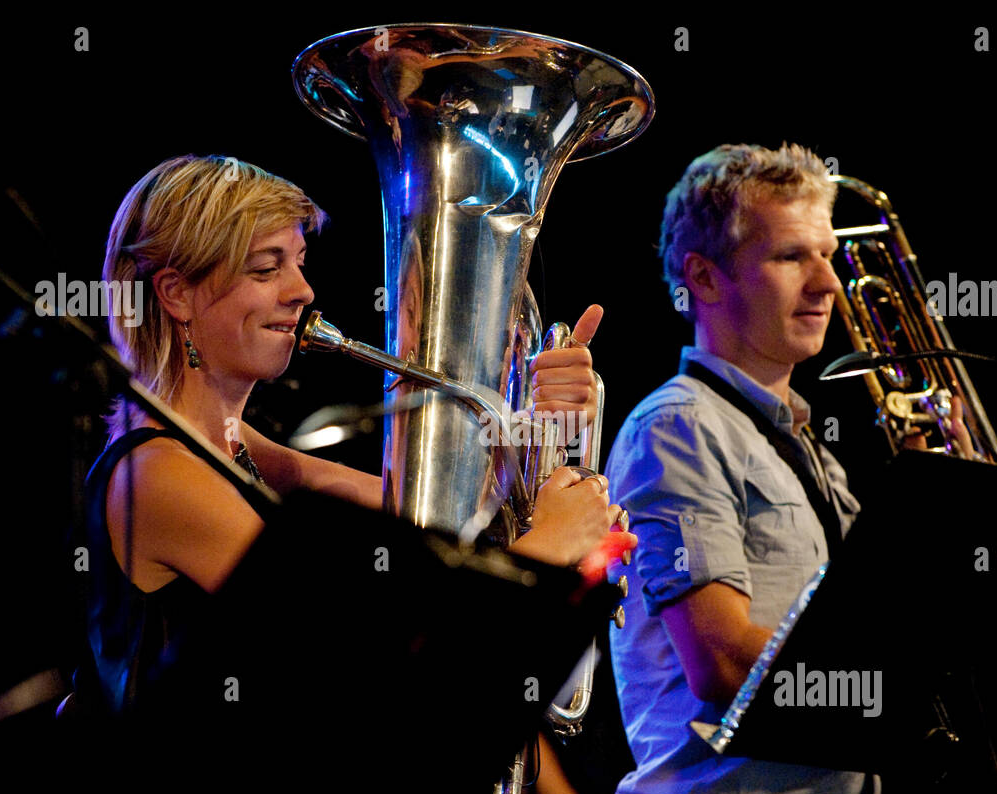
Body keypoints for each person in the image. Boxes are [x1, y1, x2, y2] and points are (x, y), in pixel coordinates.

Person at [80, 154, 633, 715]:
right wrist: (547, 548)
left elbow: (433, 519)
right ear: (176, 294)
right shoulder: (159, 474)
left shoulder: (237, 448)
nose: (303, 291)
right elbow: (365, 663)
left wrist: (542, 431)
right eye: (266, 269)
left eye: (298, 262)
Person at [604, 143, 966, 794]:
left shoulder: (818, 460)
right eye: (790, 257)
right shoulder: (679, 425)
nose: (828, 282)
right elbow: (722, 662)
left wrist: (954, 511)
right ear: (703, 276)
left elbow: (899, 636)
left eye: (827, 254)